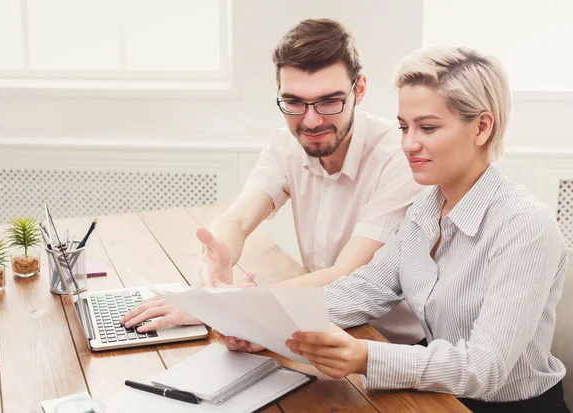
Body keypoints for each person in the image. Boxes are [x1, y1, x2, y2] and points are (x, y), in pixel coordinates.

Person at [281, 47, 570, 412]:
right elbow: (364, 288)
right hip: (438, 395)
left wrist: (369, 357)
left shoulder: (525, 226)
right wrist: (268, 320)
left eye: (427, 127)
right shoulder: (424, 209)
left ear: (482, 126)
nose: (408, 144)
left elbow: (485, 367)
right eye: (404, 127)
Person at [121, 18, 424, 345]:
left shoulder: (398, 159)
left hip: (389, 347)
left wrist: (228, 306)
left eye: (329, 101)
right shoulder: (286, 144)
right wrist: (220, 250)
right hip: (315, 327)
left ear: (359, 90)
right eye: (293, 102)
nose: (310, 120)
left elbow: (348, 274)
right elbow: (240, 216)